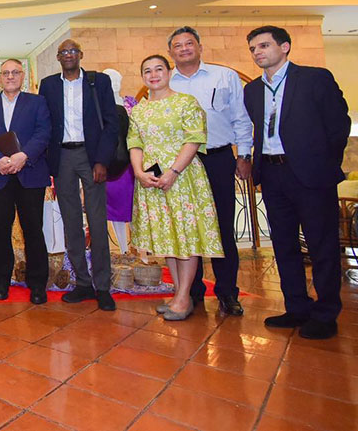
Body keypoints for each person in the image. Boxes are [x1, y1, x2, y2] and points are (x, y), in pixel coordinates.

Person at [244, 26, 350, 339]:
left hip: (311, 174)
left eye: (264, 45)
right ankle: (297, 307)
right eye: (253, 49)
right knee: (284, 244)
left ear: (285, 47)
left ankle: (326, 313)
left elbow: (338, 125)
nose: (258, 52)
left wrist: (324, 163)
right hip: (272, 174)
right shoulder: (253, 90)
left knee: (321, 245)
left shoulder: (314, 78)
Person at [128, 55, 223, 321]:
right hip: (152, 179)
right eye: (147, 71)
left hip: (182, 177)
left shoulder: (186, 102)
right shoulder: (139, 110)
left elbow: (194, 140)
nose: (153, 75)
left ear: (169, 72)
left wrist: (173, 171)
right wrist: (138, 172)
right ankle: (179, 293)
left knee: (185, 234)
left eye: (159, 69)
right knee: (167, 236)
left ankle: (184, 296)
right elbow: (134, 143)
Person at [168, 26, 253, 316]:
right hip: (182, 164)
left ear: (199, 47)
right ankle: (191, 292)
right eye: (178, 45)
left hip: (218, 158)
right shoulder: (166, 81)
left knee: (222, 226)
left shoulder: (224, 76)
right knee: (187, 227)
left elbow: (241, 118)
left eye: (189, 43)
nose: (184, 49)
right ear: (171, 52)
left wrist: (244, 154)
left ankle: (228, 292)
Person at [38, 40, 118, 311]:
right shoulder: (48, 85)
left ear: (81, 55)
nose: (68, 55)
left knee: (97, 221)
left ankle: (103, 286)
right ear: (58, 57)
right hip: (62, 157)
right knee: (71, 222)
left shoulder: (99, 82)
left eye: (73, 51)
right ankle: (82, 283)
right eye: (64, 52)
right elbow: (46, 123)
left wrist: (102, 160)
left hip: (91, 155)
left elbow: (111, 123)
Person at [0, 59, 52, 304]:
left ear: (22, 76)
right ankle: (1, 281)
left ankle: (37, 285)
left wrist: (23, 156)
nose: (10, 76)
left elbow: (44, 132)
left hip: (30, 174)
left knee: (33, 230)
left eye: (15, 72)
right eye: (5, 73)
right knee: (0, 230)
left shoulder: (37, 102)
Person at [102, 68, 134, 254]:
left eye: (117, 79)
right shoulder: (99, 107)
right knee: (114, 207)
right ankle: (123, 249)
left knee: (135, 205)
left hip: (133, 162)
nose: (114, 83)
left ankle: (140, 250)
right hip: (111, 163)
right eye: (110, 79)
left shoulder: (131, 103)